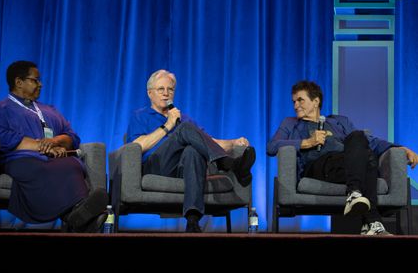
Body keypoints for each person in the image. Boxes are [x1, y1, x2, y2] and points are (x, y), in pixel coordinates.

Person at [267, 80, 418, 236]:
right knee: (368, 162)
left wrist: (400, 148)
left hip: (346, 165)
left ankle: (355, 194)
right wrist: (307, 142)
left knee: (360, 138)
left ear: (316, 101)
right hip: (317, 165)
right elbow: (272, 147)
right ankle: (371, 221)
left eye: (300, 100)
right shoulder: (290, 123)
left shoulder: (339, 121)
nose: (295, 105)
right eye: (294, 101)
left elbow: (371, 141)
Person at [0, 60, 109, 233]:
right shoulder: (0, 110)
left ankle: (78, 215)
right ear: (19, 82)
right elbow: (1, 138)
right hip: (22, 160)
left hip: (54, 159)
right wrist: (40, 146)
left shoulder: (50, 110)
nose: (40, 84)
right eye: (35, 80)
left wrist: (55, 142)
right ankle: (81, 215)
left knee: (72, 164)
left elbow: (72, 137)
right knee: (41, 167)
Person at [124, 69, 256, 232]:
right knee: (185, 128)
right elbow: (137, 146)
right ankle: (227, 164)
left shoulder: (183, 118)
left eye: (170, 90)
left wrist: (233, 143)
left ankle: (192, 220)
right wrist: (168, 125)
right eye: (161, 89)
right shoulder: (139, 116)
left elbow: (209, 142)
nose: (166, 94)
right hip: (156, 166)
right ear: (150, 93)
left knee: (193, 151)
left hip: (181, 168)